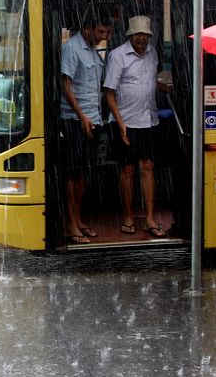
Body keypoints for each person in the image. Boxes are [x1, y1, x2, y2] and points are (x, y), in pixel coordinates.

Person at [104, 15, 170, 238]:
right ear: (130, 35)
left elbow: (150, 80)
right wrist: (120, 124)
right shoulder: (117, 56)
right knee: (127, 171)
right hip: (126, 122)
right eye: (138, 35)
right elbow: (109, 93)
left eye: (145, 35)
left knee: (148, 167)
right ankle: (128, 218)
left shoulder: (152, 53)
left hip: (149, 120)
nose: (142, 38)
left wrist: (166, 88)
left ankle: (150, 219)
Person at [60, 16, 110, 243]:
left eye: (106, 33)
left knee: (83, 174)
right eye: (100, 32)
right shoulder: (72, 48)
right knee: (72, 173)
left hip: (94, 120)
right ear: (87, 28)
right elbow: (66, 85)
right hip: (75, 121)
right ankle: (71, 224)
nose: (103, 37)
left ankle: (78, 219)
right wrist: (82, 117)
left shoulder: (92, 51)